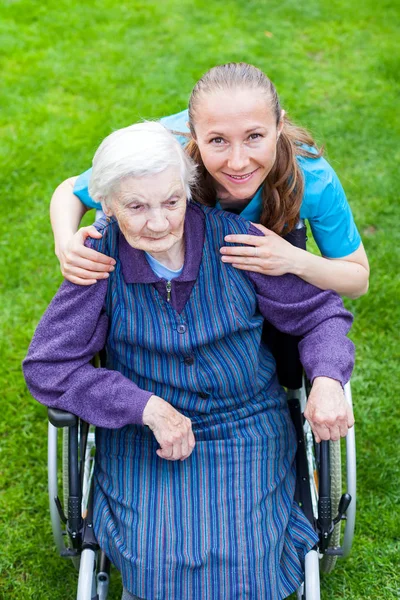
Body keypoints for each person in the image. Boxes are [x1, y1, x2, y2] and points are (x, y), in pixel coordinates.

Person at [24, 122, 355, 600]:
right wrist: (143, 407)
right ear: (108, 206)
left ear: (187, 192)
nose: (157, 222)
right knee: (156, 564)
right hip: (144, 436)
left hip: (246, 426)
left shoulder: (237, 242)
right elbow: (49, 365)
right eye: (136, 207)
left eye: (171, 202)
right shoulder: (99, 260)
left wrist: (325, 378)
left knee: (248, 561)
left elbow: (321, 313)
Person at [50, 63, 369, 298]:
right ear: (192, 132)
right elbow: (71, 192)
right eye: (218, 140)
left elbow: (357, 279)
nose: (239, 161)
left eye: (255, 136)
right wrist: (66, 245)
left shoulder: (311, 177)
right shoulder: (165, 156)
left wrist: (292, 259)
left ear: (279, 124)